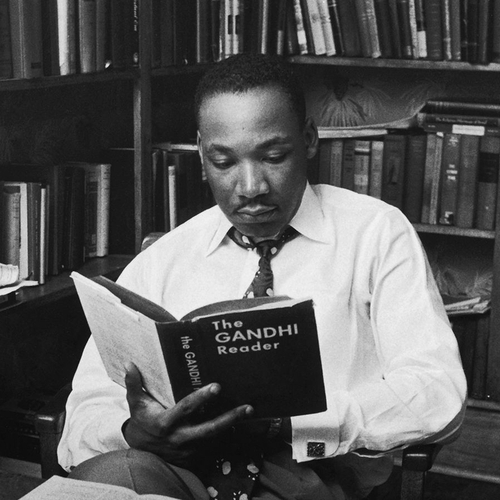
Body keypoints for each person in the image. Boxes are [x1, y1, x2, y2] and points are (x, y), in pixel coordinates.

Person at [58, 53, 467, 500]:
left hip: (314, 479)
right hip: (178, 475)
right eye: (223, 162)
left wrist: (296, 424)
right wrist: (134, 433)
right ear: (201, 152)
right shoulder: (165, 258)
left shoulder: (375, 234)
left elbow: (437, 391)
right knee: (114, 475)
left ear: (308, 139)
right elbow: (83, 415)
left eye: (273, 156)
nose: (251, 186)